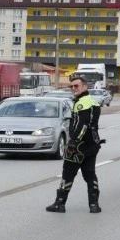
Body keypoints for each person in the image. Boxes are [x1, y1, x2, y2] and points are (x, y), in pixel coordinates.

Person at [46, 76, 103, 214]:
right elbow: (92, 125)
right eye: (71, 86)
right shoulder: (94, 101)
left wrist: (73, 142)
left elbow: (82, 125)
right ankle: (94, 205)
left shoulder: (81, 103)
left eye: (76, 86)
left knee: (68, 174)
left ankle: (60, 204)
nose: (73, 88)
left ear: (84, 87)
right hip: (93, 145)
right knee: (90, 174)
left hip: (78, 146)